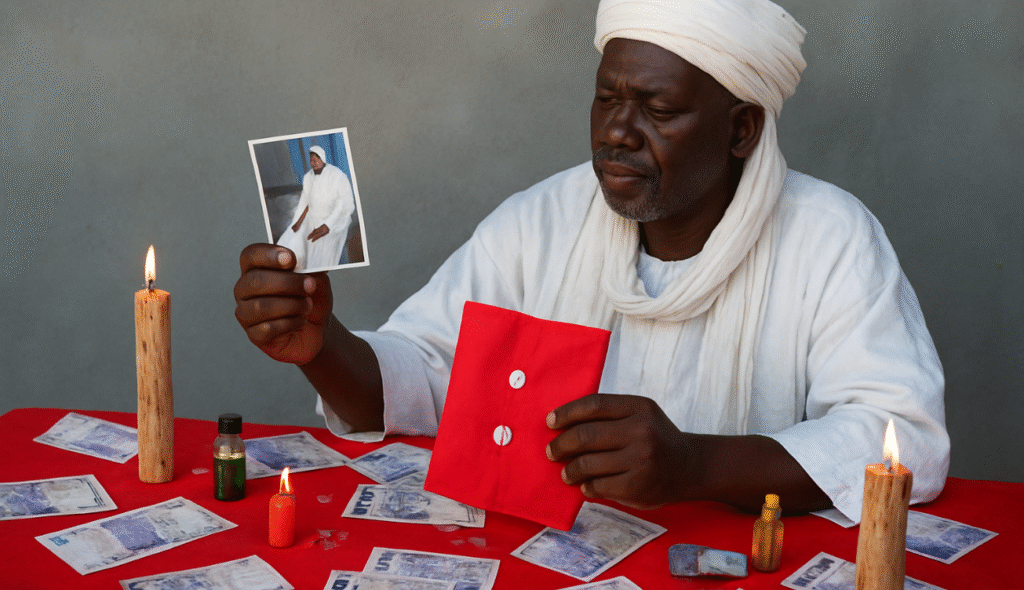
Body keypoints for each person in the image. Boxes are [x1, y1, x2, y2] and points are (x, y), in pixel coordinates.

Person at [234, 0, 948, 523]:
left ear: (741, 130)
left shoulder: (831, 239)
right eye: (606, 99)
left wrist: (696, 465)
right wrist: (321, 347)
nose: (616, 132)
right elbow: (422, 375)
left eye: (656, 110)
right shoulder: (541, 221)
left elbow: (901, 437)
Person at [276, 145, 356, 271]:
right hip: (313, 215)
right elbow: (305, 202)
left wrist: (328, 225)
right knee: (291, 240)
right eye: (311, 159)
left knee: (320, 248)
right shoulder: (308, 177)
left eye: (316, 158)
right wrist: (298, 222)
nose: (313, 162)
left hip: (336, 217)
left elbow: (342, 204)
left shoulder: (337, 175)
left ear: (322, 159)